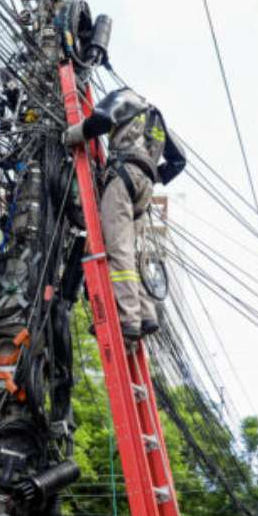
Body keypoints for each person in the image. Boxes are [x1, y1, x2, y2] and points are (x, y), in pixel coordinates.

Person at [64, 88, 185, 345]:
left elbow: (101, 120)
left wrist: (71, 135)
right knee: (131, 254)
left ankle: (127, 317)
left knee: (118, 251)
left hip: (122, 178)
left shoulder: (126, 98)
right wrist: (152, 174)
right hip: (145, 188)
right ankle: (146, 313)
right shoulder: (155, 116)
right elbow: (179, 161)